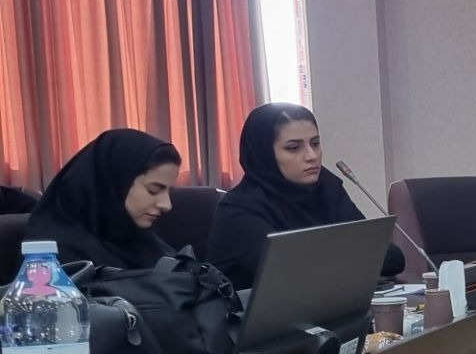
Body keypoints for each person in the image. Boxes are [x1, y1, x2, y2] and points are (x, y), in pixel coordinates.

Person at [208, 103, 406, 290]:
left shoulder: (326, 188)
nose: (312, 156)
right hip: (251, 314)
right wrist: (350, 256)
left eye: (315, 143)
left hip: (329, 307)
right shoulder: (237, 210)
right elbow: (293, 274)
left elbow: (391, 257)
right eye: (294, 148)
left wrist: (328, 259)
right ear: (264, 153)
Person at [26, 129, 183, 270]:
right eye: (154, 190)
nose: (167, 205)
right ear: (114, 183)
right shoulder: (52, 257)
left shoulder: (140, 240)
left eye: (169, 191)